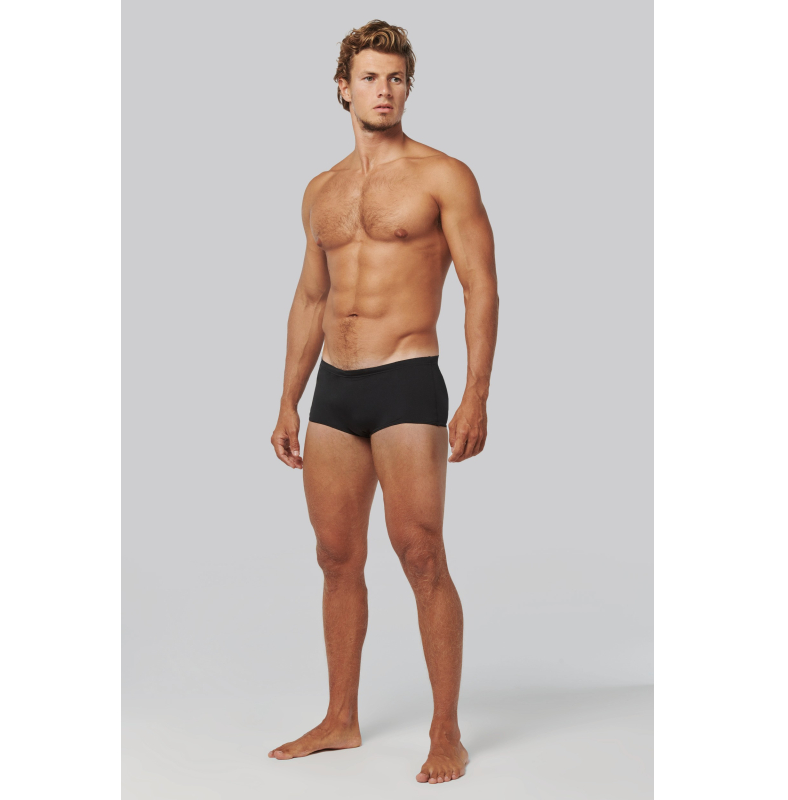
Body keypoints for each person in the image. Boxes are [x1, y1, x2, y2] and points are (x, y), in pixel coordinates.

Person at [269, 19, 498, 785]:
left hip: (406, 376)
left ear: (407, 87)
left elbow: (481, 287)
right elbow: (311, 297)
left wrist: (476, 393)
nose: (384, 90)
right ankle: (341, 717)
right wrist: (288, 399)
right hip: (335, 387)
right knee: (336, 556)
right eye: (369, 77)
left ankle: (446, 733)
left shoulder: (443, 176)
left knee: (421, 551)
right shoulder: (321, 191)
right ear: (343, 87)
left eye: (396, 78)